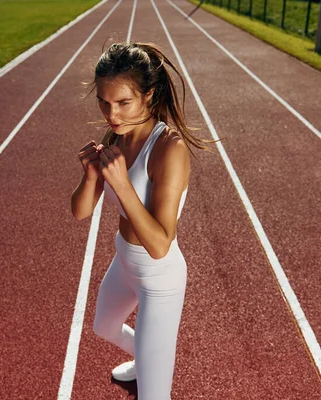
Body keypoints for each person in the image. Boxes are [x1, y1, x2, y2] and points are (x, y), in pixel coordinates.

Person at [71, 42, 217, 399]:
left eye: (123, 103)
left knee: (155, 395)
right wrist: (91, 175)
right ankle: (146, 357)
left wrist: (121, 184)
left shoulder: (170, 148)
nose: (111, 114)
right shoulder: (116, 135)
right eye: (104, 102)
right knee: (104, 327)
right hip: (124, 262)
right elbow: (80, 212)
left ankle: (152, 363)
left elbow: (160, 243)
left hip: (159, 278)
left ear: (149, 94)